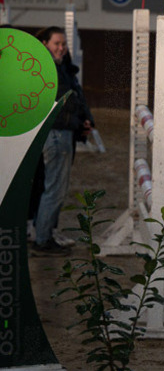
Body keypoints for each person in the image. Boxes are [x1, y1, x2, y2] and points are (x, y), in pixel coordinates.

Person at [32, 26, 94, 256]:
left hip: (58, 134)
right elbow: (64, 105)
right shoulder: (51, 70)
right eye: (57, 43)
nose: (61, 48)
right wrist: (80, 121)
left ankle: (42, 234)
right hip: (57, 135)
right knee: (55, 189)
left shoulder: (55, 68)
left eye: (63, 44)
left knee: (51, 187)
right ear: (46, 44)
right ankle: (42, 239)